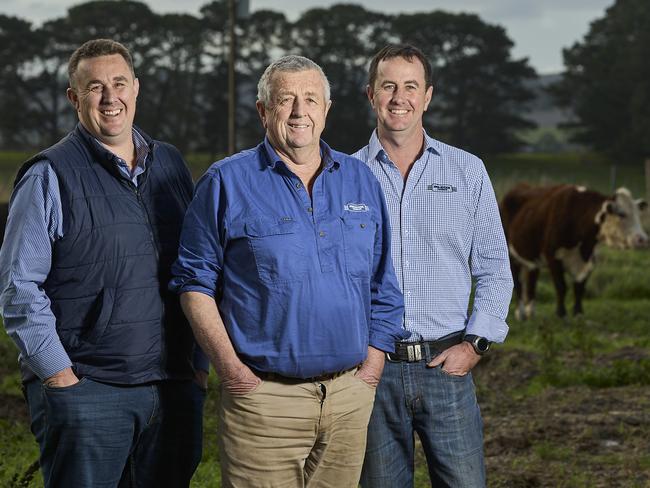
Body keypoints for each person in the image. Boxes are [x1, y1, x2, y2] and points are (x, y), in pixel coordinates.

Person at [170, 54, 408, 488]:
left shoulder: (360, 180)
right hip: (263, 399)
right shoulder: (226, 182)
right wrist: (231, 370)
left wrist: (371, 367)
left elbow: (382, 283)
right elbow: (193, 283)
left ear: (327, 110)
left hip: (348, 396)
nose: (300, 111)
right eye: (286, 100)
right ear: (263, 110)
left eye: (311, 99)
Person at [0, 39, 206, 488]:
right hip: (90, 388)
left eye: (119, 83)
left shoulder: (169, 163)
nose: (110, 98)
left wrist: (197, 367)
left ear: (136, 88)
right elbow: (19, 288)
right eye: (95, 87)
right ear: (75, 98)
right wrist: (61, 377)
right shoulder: (48, 175)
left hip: (171, 386)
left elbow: (196, 269)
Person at [353, 44, 513, 487]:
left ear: (427, 97)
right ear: (371, 95)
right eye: (388, 86)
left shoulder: (467, 171)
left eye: (410, 87)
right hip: (372, 370)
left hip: (447, 367)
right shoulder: (344, 175)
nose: (398, 97)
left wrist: (475, 344)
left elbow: (496, 267)